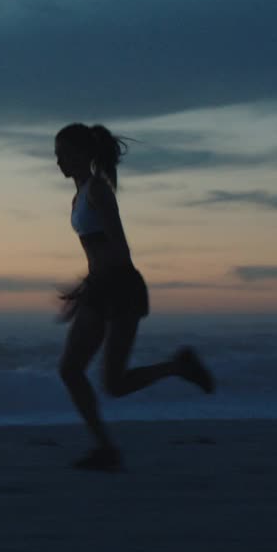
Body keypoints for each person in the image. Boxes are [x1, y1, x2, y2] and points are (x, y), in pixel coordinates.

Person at [53, 123, 213, 471]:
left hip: (121, 288)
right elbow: (95, 253)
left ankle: (179, 366)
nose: (58, 161)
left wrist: (91, 285)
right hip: (99, 287)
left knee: (114, 383)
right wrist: (85, 289)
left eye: (63, 154)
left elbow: (120, 249)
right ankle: (105, 449)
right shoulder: (79, 194)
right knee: (69, 369)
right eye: (56, 155)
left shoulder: (98, 191)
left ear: (82, 154)